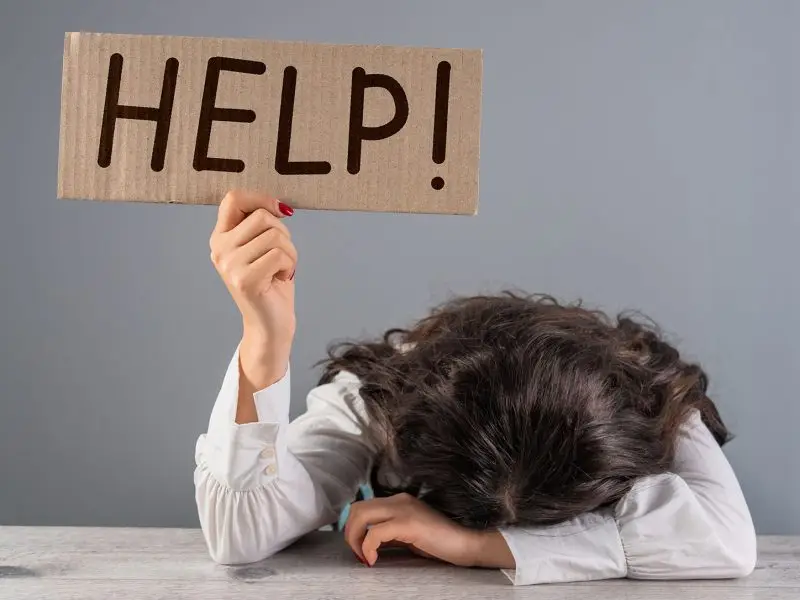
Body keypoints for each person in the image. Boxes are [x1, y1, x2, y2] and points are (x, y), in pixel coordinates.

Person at [194, 191, 757, 585]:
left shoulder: (647, 394)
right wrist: (266, 339)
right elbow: (241, 534)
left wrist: (476, 547)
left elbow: (726, 543)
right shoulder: (382, 396)